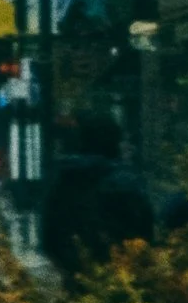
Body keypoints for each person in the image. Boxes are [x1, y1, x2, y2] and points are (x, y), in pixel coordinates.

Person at [37, 114, 155, 279]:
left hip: (76, 280)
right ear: (114, 144)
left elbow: (50, 238)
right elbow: (144, 232)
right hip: (123, 279)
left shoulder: (64, 179)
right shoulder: (125, 183)